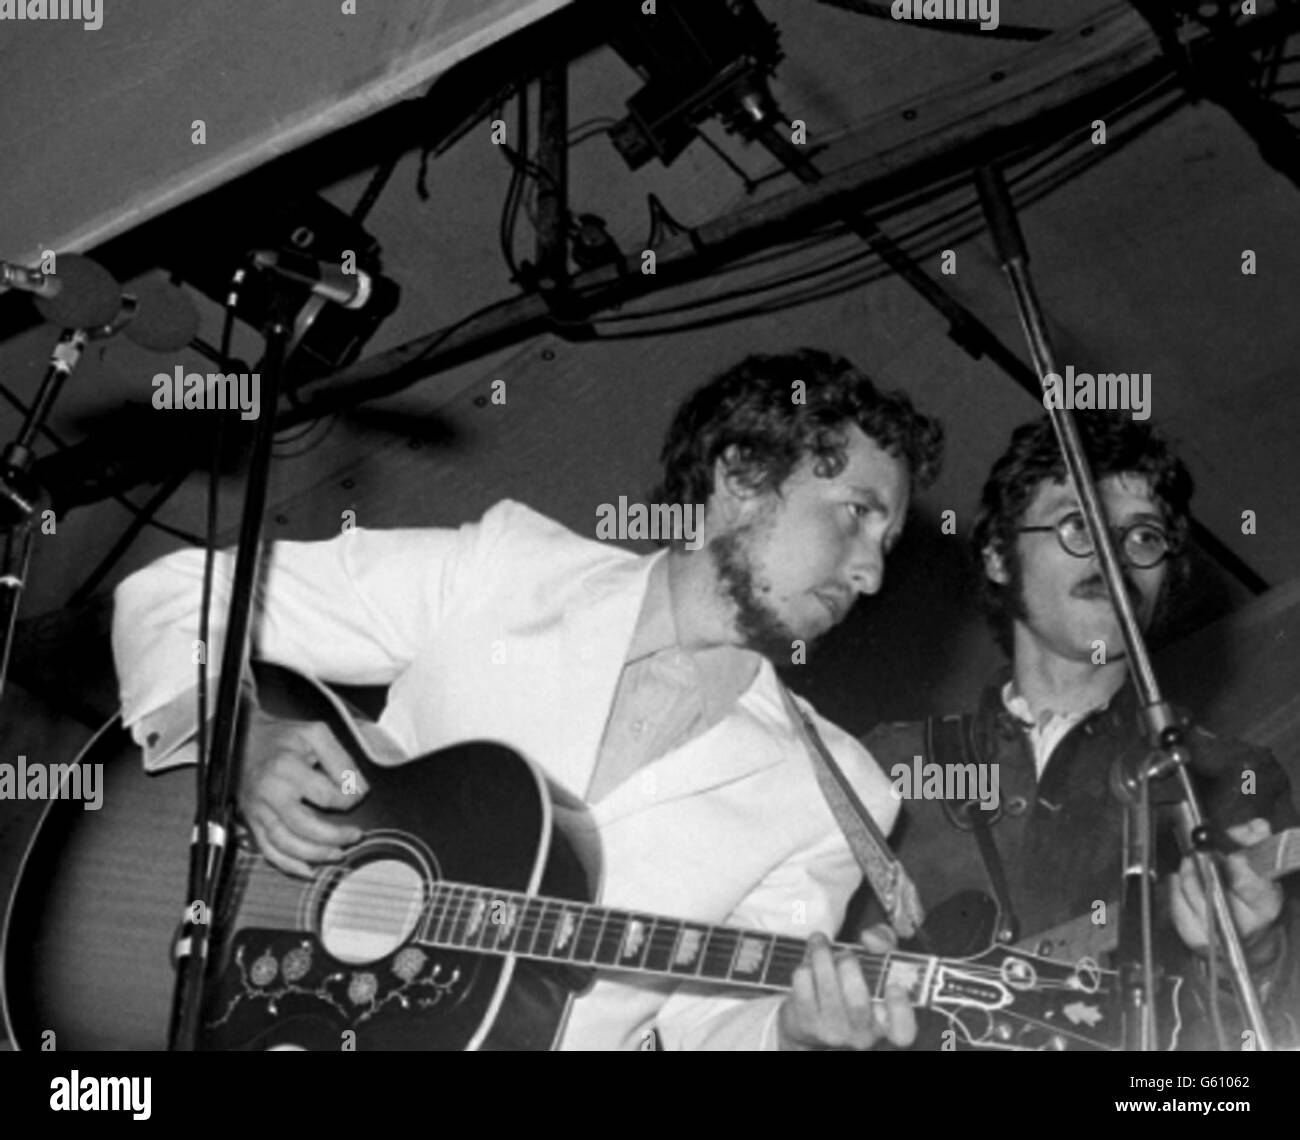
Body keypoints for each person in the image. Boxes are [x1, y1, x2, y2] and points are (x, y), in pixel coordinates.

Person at [111, 347, 944, 1050]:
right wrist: (240, 738)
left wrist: (794, 1035)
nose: (871, 573)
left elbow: (712, 1026)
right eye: (855, 515)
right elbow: (179, 596)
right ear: (742, 478)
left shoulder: (841, 791)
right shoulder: (506, 568)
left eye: (887, 543)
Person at [862, 411, 1299, 1050]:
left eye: (1144, 538)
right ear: (997, 555)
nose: (1114, 558)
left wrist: (1252, 953)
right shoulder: (885, 760)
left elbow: (1234, 1079)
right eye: (1076, 526)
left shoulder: (1225, 778)